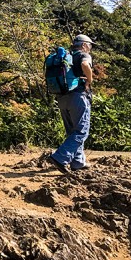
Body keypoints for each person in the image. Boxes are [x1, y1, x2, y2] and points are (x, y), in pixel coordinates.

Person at [47, 34, 95, 174]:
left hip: (62, 98)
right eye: (90, 45)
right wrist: (89, 80)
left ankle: (78, 162)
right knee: (81, 131)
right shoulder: (83, 55)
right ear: (84, 45)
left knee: (72, 131)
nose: (90, 48)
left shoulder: (67, 57)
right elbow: (85, 65)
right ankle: (60, 157)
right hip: (78, 96)